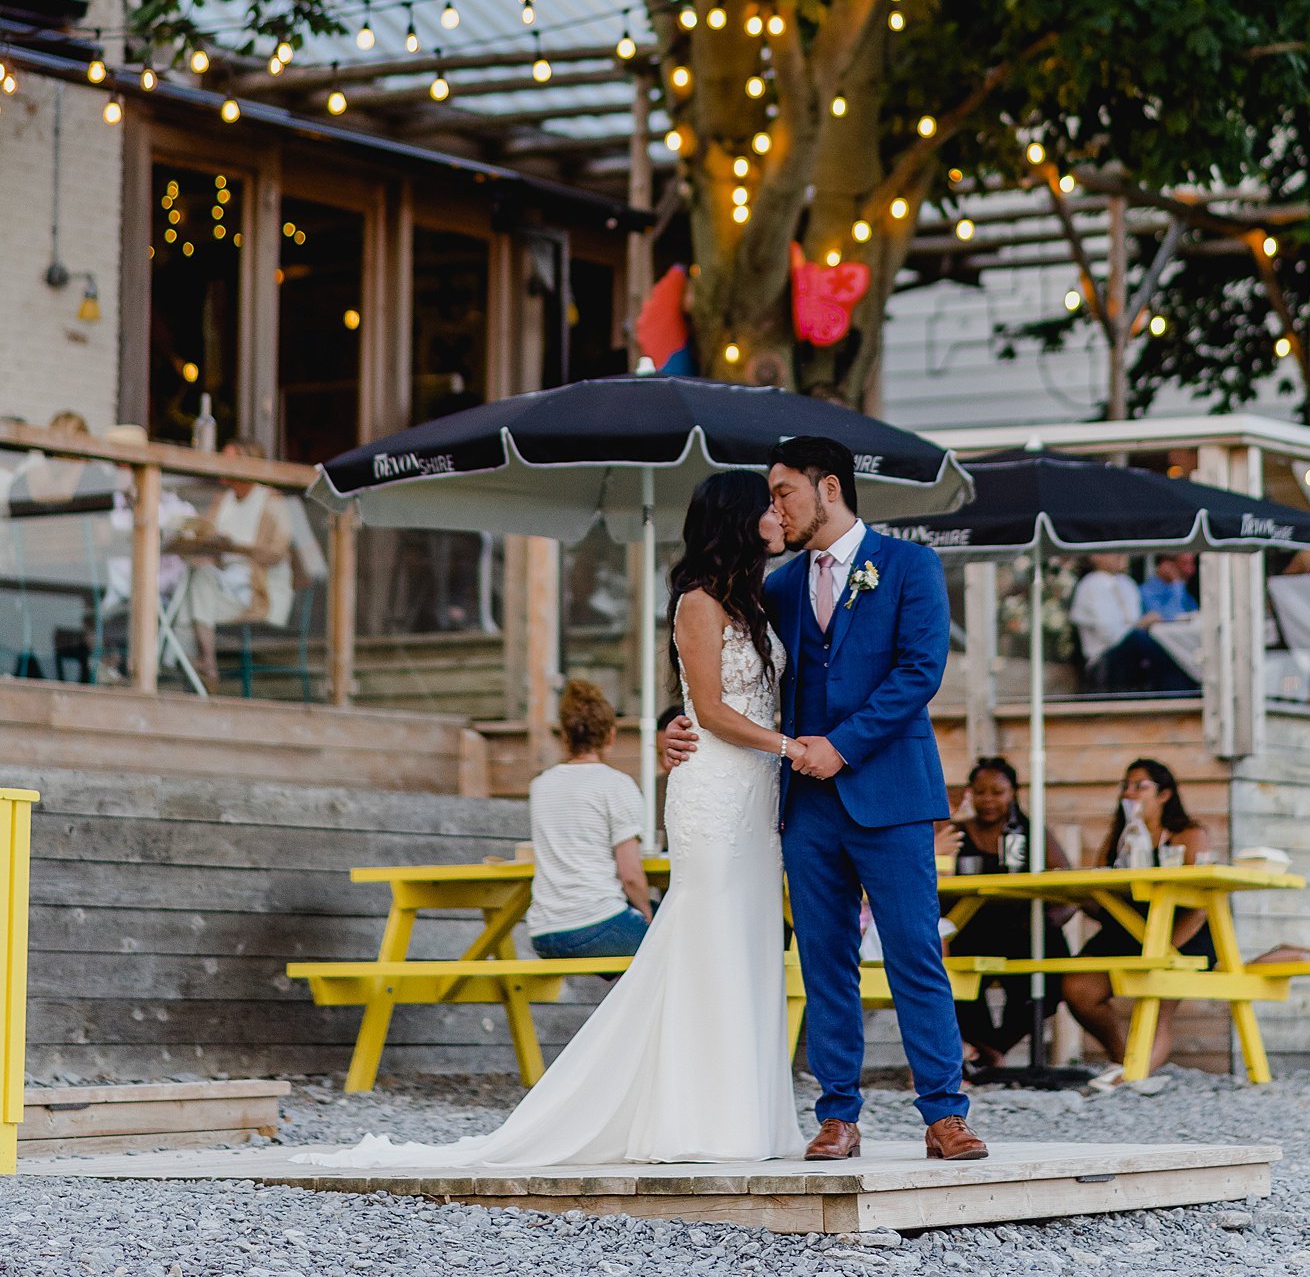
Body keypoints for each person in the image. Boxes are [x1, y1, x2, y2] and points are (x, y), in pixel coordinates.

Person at [302, 467, 805, 1170]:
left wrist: (743, 741)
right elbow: (712, 706)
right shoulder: (698, 601)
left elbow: (729, 697)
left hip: (758, 801)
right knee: (705, 941)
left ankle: (747, 1113)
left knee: (747, 942)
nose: (782, 515)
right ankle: (697, 1117)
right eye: (771, 505)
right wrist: (788, 747)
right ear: (743, 516)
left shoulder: (760, 598)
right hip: (717, 796)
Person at [668, 434, 988, 1164]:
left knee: (914, 954)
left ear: (830, 487)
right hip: (805, 808)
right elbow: (724, 674)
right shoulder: (774, 588)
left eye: (784, 491)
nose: (773, 508)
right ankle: (838, 1114)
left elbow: (919, 673)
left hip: (893, 794)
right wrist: (674, 723)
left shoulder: (911, 565)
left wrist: (840, 745)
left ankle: (945, 1114)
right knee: (823, 961)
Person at [1061, 758, 1212, 1085]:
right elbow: (1098, 893)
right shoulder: (1118, 837)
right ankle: (1124, 1057)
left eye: (1140, 786)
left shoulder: (1189, 834)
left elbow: (1200, 905)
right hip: (1123, 929)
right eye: (1126, 786)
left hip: (1179, 930)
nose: (1130, 793)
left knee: (1158, 999)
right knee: (1076, 986)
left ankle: (1132, 1074)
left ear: (1165, 794)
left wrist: (1164, 948)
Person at [937, 757, 1072, 1080]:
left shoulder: (1030, 833)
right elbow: (934, 876)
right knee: (957, 978)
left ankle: (992, 1049)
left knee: (1051, 974)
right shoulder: (955, 832)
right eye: (980, 792)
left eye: (997, 792)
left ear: (1014, 793)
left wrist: (1048, 920)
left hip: (1022, 930)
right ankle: (988, 1050)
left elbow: (1066, 886)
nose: (988, 800)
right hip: (970, 928)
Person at [526, 680, 653, 961]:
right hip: (595, 924)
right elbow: (630, 875)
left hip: (544, 932)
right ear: (610, 735)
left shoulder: (540, 785)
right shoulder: (617, 785)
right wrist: (646, 914)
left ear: (566, 737)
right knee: (672, 941)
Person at [172, 439, 294, 684]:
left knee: (192, 592)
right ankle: (202, 665)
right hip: (223, 581)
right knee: (191, 580)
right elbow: (208, 540)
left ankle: (196, 666)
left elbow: (278, 553)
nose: (220, 465)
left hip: (256, 586)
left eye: (227, 460)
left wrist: (235, 547)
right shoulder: (223, 500)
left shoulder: (271, 501)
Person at [1071, 555, 1196, 695]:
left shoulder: (1127, 584)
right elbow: (1110, 634)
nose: (1120, 556)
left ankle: (1183, 692)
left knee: (1163, 644)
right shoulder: (1090, 585)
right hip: (1103, 661)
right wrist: (1140, 625)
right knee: (1140, 640)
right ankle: (1179, 694)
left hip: (1132, 656)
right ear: (1096, 557)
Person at [1139, 553, 1198, 622]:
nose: (1191, 570)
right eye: (1185, 564)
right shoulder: (1146, 591)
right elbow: (1172, 618)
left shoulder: (1182, 589)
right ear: (1166, 564)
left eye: (1192, 564)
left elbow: (1195, 615)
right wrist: (1176, 583)